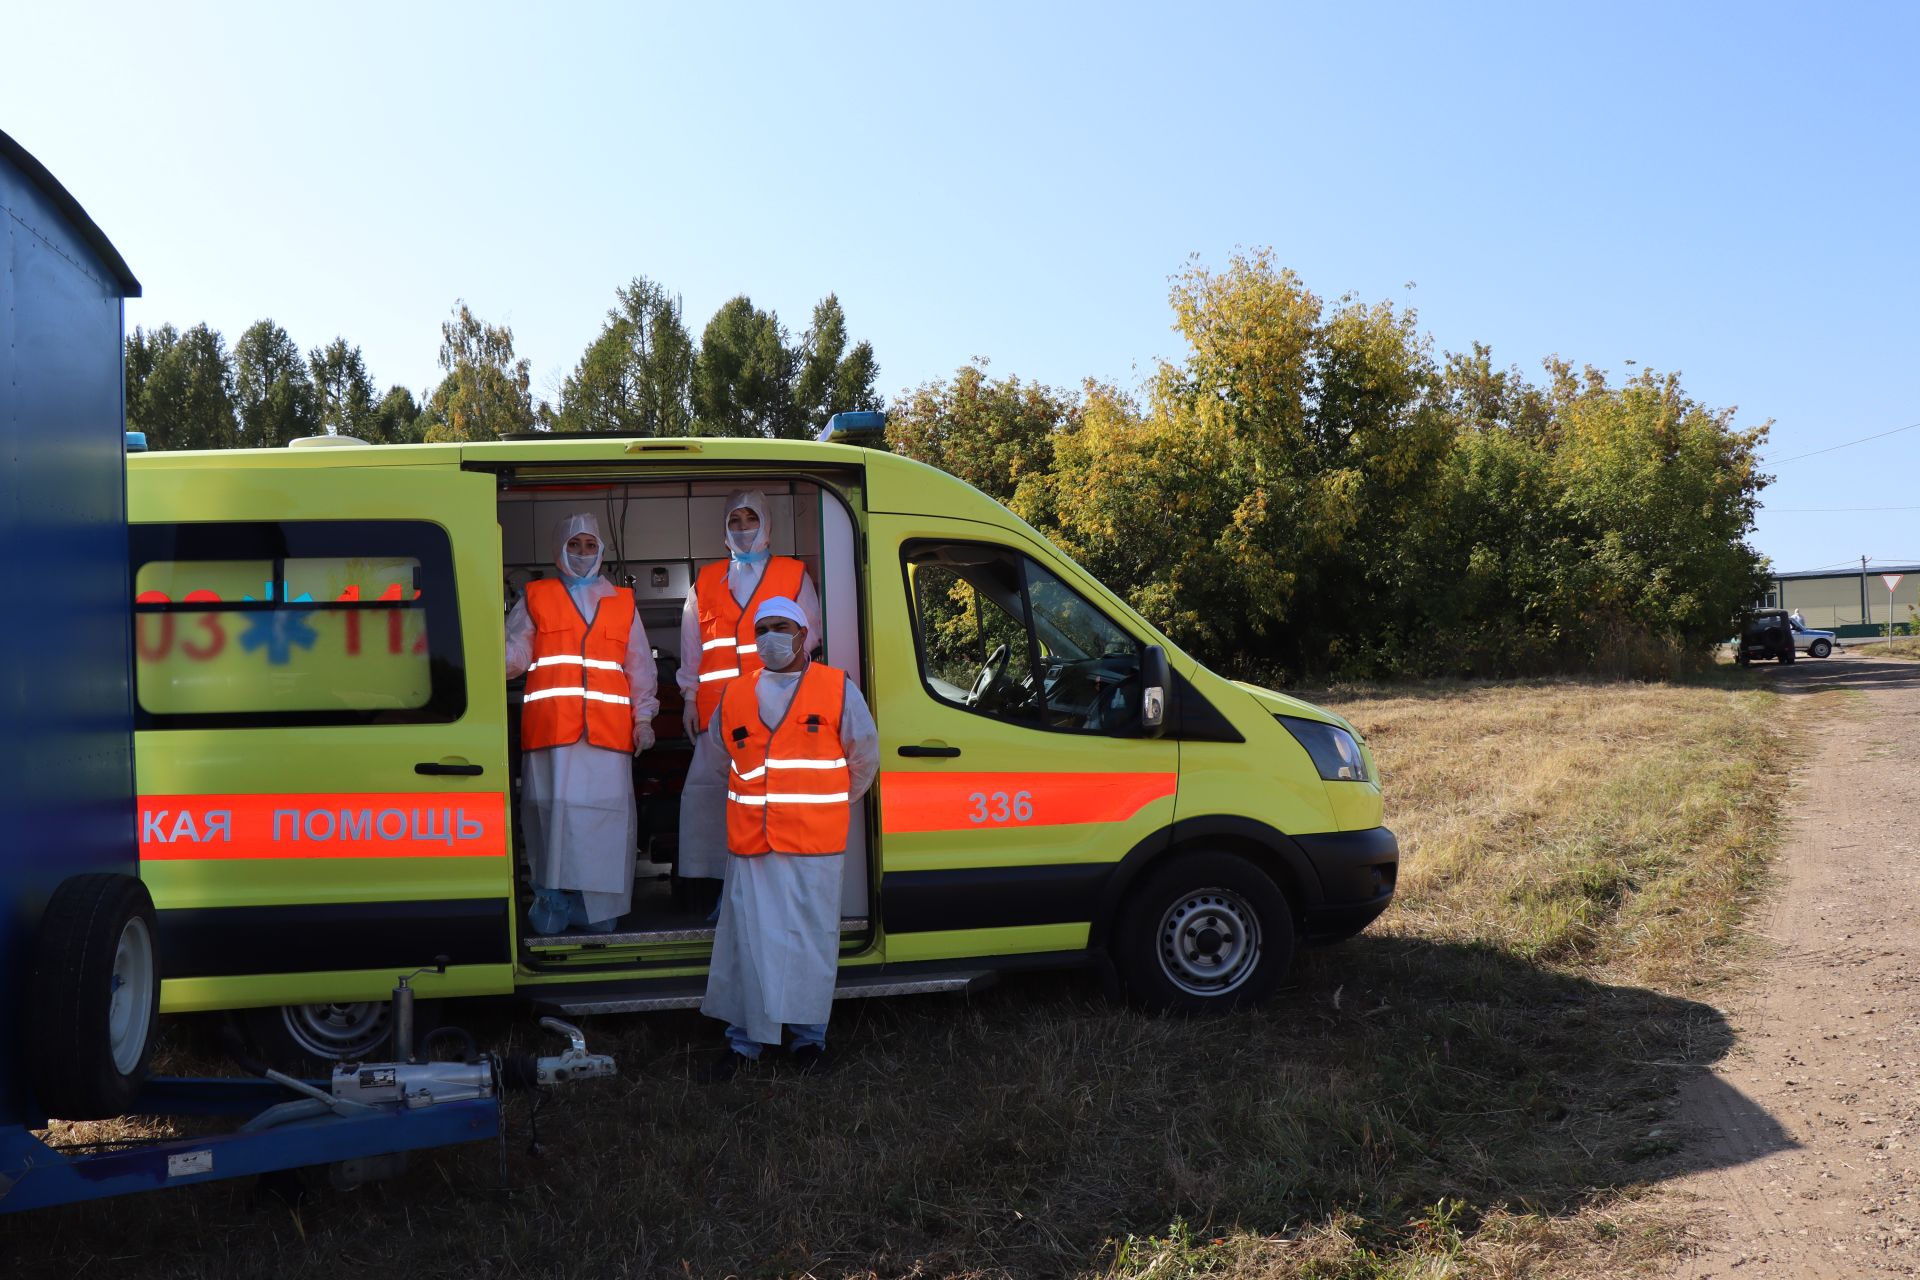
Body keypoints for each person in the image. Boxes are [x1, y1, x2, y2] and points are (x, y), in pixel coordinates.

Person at [698, 595, 876, 1076]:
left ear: (803, 634)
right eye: (762, 629)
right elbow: (719, 763)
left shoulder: (837, 688)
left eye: (781, 626)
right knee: (749, 942)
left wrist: (823, 804)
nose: (770, 637)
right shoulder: (734, 694)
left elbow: (863, 759)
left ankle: (807, 1040)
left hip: (813, 846)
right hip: (753, 844)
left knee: (808, 940)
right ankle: (744, 1043)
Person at [505, 513, 659, 934]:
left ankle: (598, 910)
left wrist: (643, 717)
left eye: (590, 545)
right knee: (553, 820)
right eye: (574, 545)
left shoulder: (622, 603)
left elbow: (639, 666)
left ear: (602, 551)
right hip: (553, 736)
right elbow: (516, 652)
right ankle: (553, 901)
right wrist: (492, 657)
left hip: (608, 736)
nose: (582, 553)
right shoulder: (536, 597)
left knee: (605, 823)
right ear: (559, 548)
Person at [675, 490, 821, 913]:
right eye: (735, 520)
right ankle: (717, 889)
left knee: (770, 800)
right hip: (717, 715)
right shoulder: (705, 582)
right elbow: (692, 648)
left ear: (767, 524)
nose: (742, 528)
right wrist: (688, 698)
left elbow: (810, 635)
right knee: (711, 800)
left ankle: (765, 890)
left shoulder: (793, 574)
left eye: (750, 519)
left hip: (777, 710)